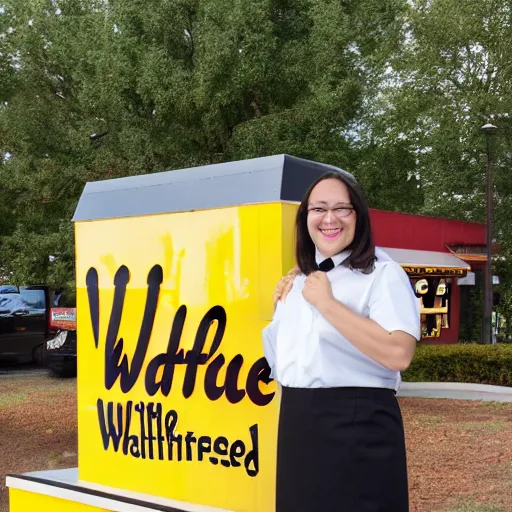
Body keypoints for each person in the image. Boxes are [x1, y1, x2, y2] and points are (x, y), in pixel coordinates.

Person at [262, 169, 420, 512]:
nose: (329, 218)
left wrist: (329, 305)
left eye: (341, 208)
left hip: (359, 425)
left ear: (357, 216)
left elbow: (399, 352)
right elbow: (284, 362)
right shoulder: (299, 280)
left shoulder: (381, 274)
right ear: (306, 217)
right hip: (298, 425)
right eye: (318, 208)